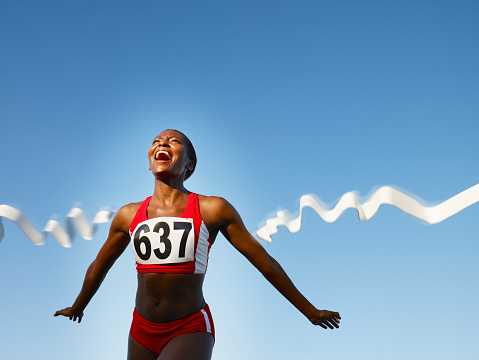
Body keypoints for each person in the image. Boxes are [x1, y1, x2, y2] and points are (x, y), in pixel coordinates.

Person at [54, 129, 340, 360]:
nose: (162, 142)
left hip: (189, 327)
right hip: (141, 328)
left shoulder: (213, 209)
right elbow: (99, 265)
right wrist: (78, 306)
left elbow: (265, 263)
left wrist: (310, 311)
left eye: (173, 141)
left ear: (188, 164)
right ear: (151, 159)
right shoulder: (128, 214)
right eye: (156, 141)